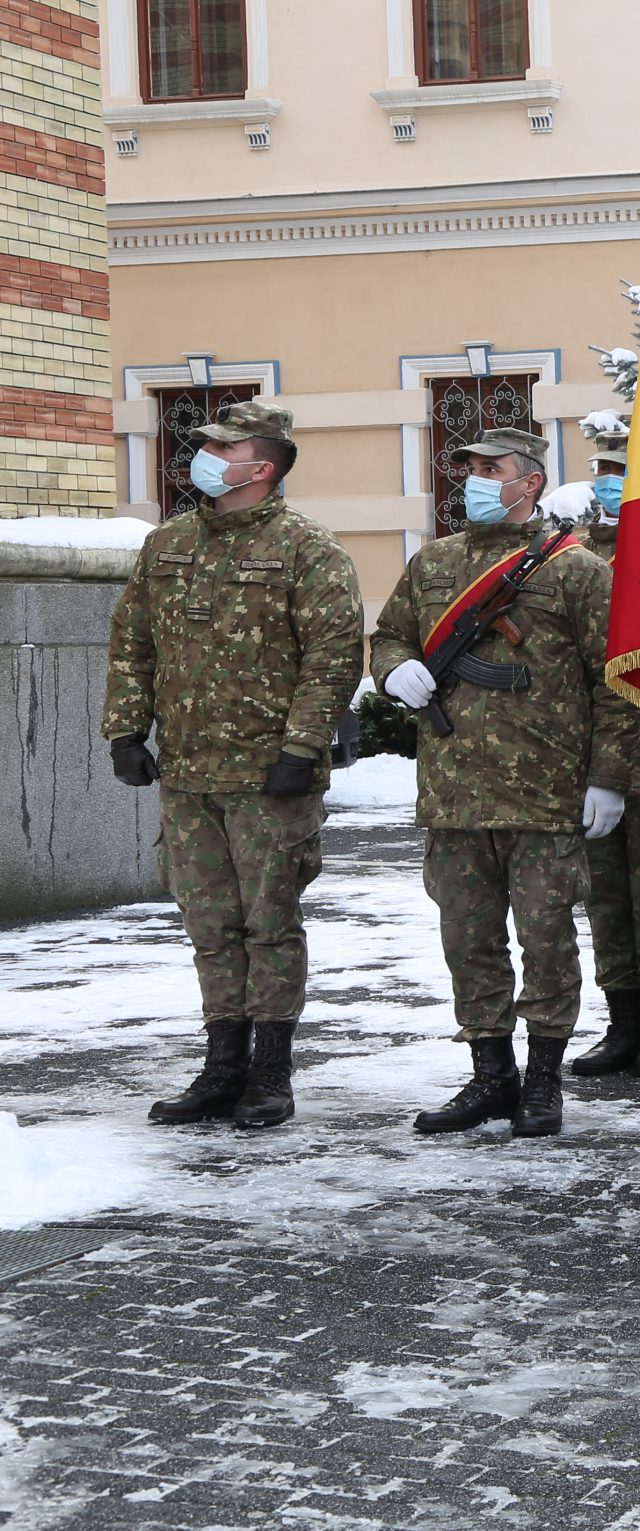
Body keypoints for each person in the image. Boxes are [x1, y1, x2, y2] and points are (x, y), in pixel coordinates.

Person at [104, 399, 364, 1129]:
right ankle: (222, 1066)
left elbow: (335, 658)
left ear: (265, 464)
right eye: (205, 445)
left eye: (225, 446)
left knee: (269, 925)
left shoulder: (308, 550)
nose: (206, 456)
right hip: (189, 774)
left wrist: (303, 746)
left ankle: (271, 1073)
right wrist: (126, 732)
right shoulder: (168, 544)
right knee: (210, 924)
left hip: (269, 778)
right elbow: (132, 642)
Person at [372, 427, 636, 1140]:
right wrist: (394, 669)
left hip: (546, 792)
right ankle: (491, 1074)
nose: (476, 480)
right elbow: (388, 635)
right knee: (469, 939)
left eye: (493, 469)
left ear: (532, 483)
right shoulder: (435, 563)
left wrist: (608, 777)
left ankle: (543, 1080)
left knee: (546, 940)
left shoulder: (576, 570)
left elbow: (618, 680)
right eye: (470, 468)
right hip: (455, 793)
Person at [566, 440, 640, 1081]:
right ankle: (621, 1025)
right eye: (604, 476)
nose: (611, 487)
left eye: (622, 476)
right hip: (589, 760)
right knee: (605, 899)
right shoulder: (577, 558)